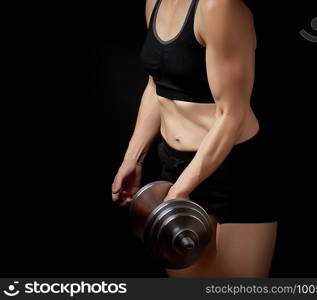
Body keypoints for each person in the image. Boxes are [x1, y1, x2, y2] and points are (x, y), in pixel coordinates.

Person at [112, 0, 278, 278]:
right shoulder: (155, 2)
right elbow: (157, 85)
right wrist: (134, 158)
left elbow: (231, 116)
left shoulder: (220, 8)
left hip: (234, 170)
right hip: (176, 166)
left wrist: (177, 192)